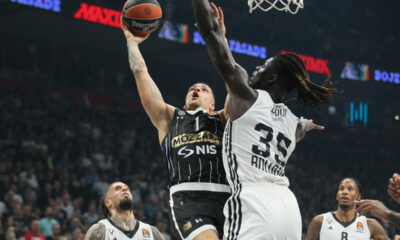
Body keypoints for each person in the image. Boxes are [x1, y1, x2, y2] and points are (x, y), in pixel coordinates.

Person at [192, 1, 338, 239]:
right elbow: (301, 128)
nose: (255, 69)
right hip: (288, 208)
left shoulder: (247, 96)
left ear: (272, 78)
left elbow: (209, 34)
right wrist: (306, 125)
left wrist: (214, 28)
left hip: (254, 203)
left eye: (262, 67)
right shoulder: (292, 123)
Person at [120, 5, 232, 240]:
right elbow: (141, 73)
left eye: (203, 89)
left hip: (230, 198)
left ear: (213, 104)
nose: (196, 90)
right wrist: (131, 41)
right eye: (192, 88)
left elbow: (232, 77)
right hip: (189, 200)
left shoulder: (222, 118)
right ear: (184, 100)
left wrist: (221, 40)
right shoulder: (168, 118)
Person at [306, 178, 389, 240]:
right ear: (337, 195)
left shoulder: (371, 225)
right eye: (341, 189)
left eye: (350, 189)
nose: (345, 192)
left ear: (358, 196)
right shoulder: (319, 222)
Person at [84, 182, 165, 240]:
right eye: (117, 188)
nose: (124, 189)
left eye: (127, 188)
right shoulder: (99, 230)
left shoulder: (152, 232)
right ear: (108, 202)